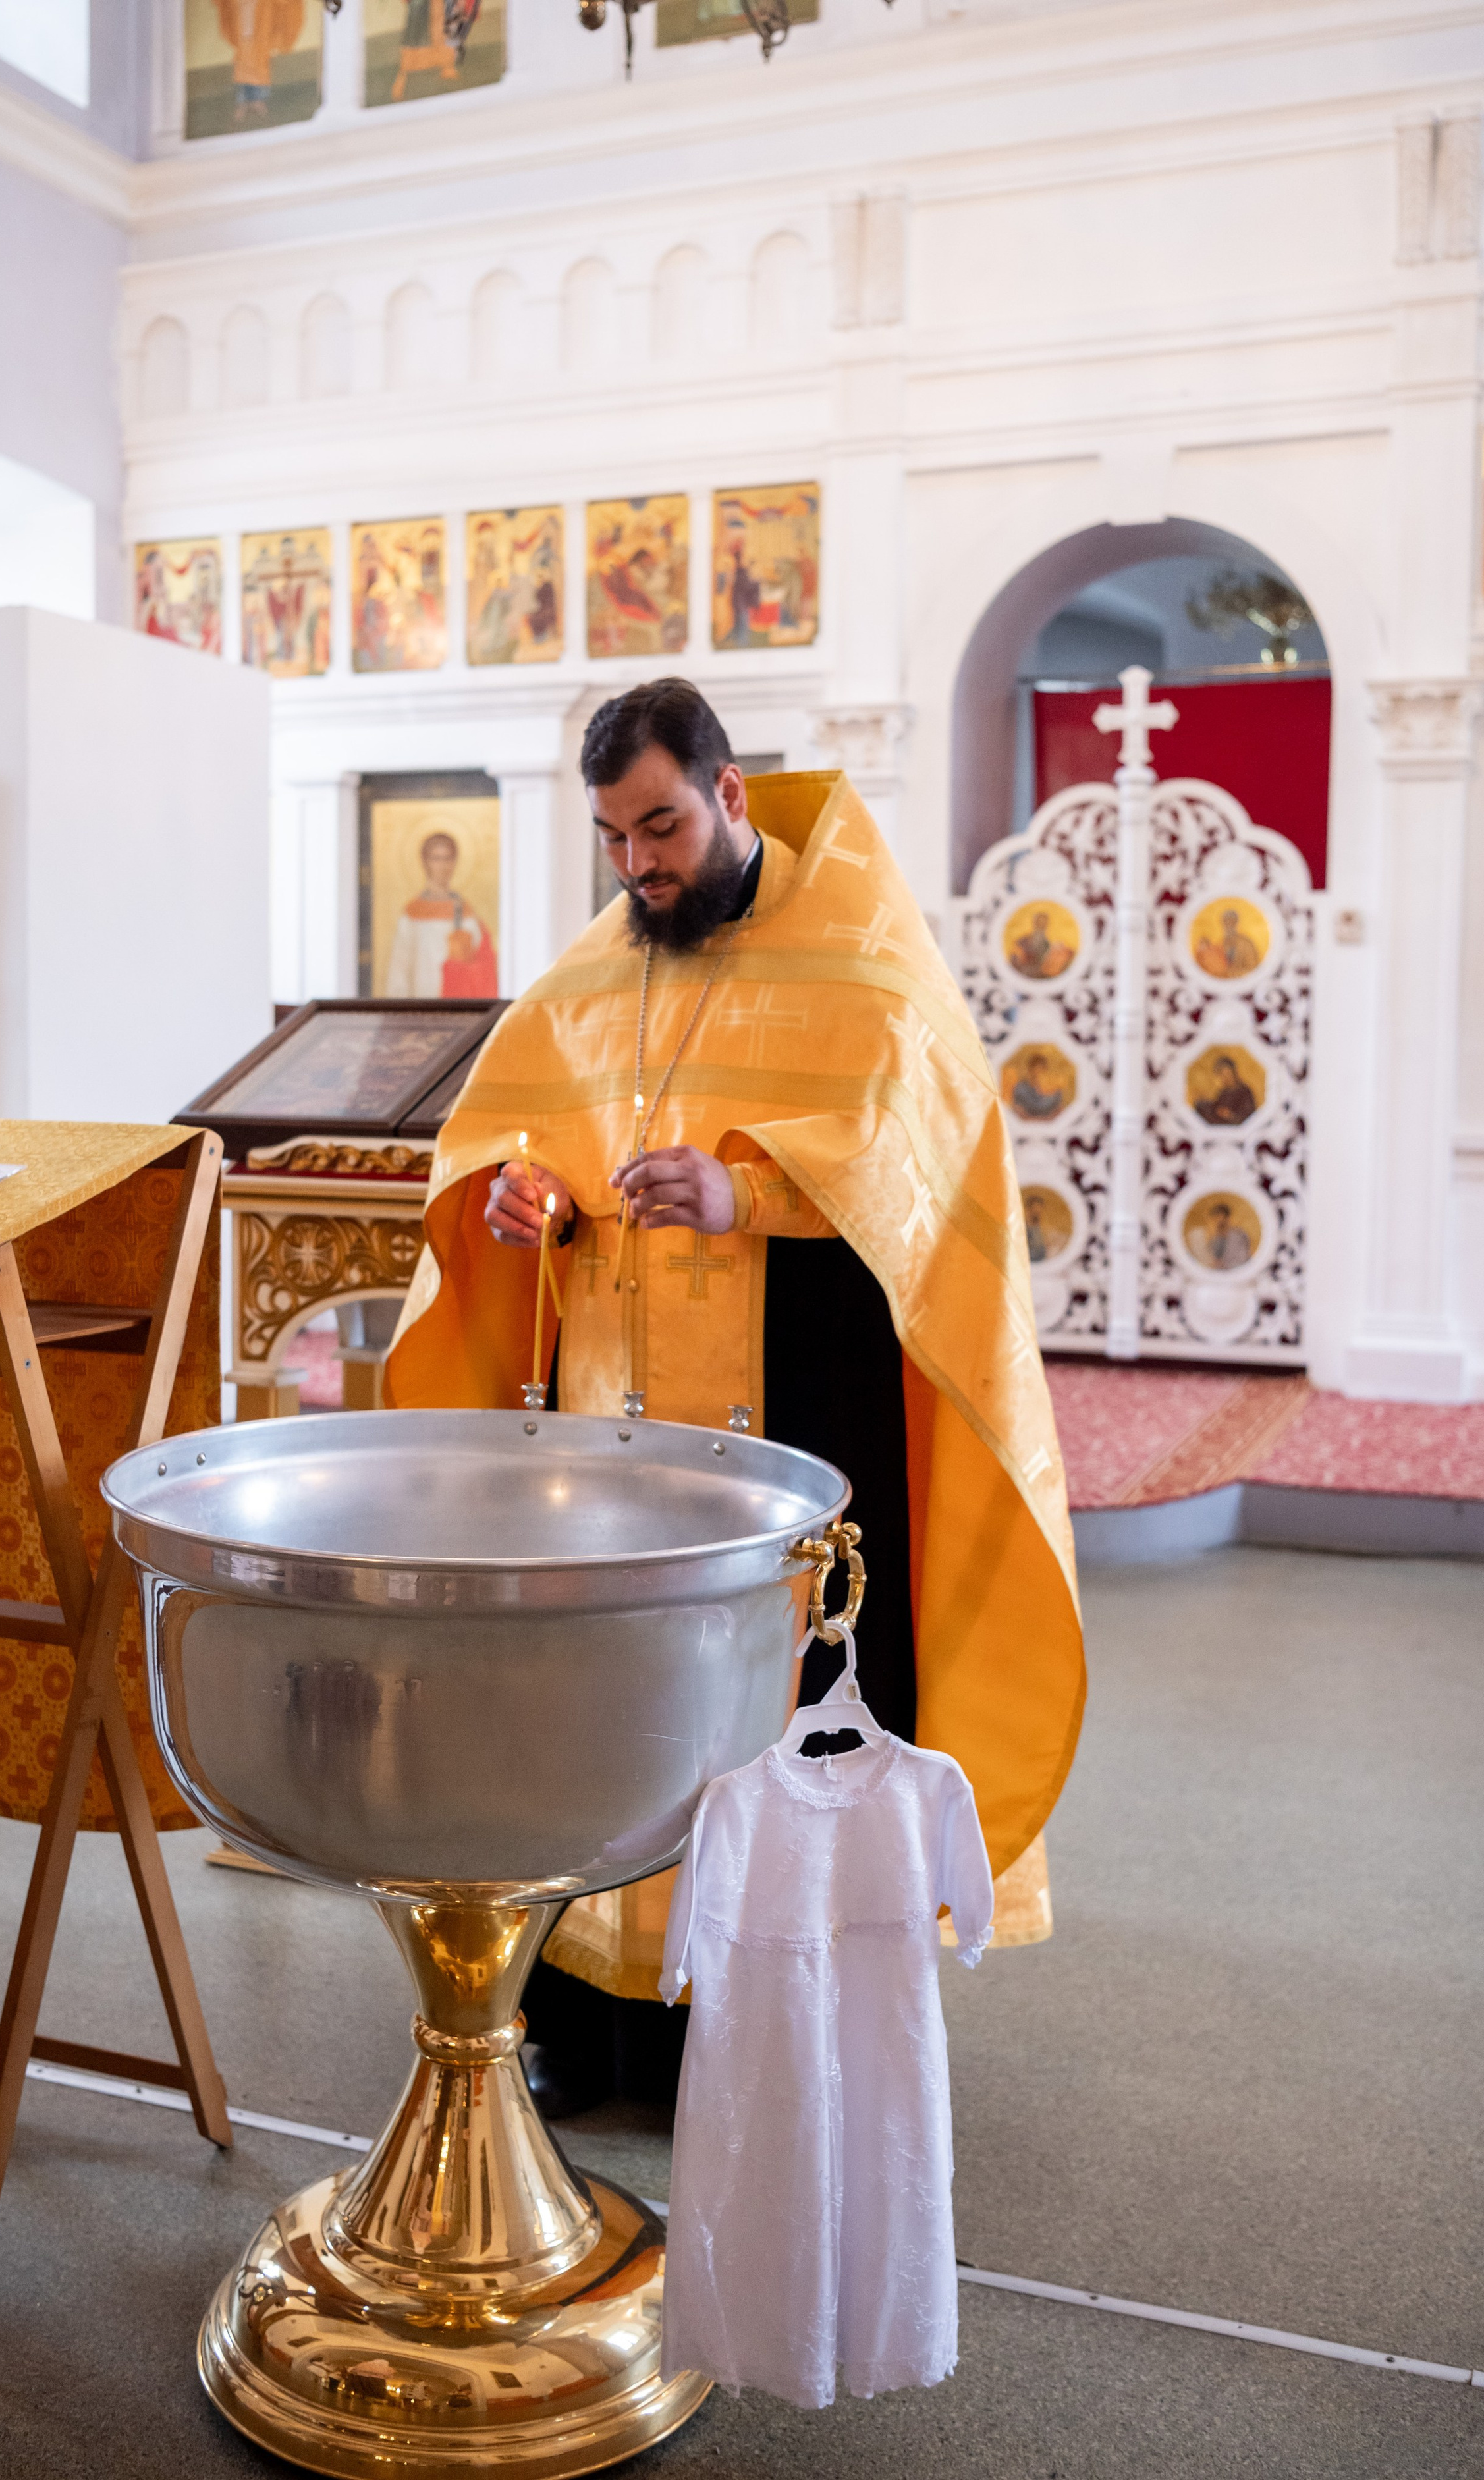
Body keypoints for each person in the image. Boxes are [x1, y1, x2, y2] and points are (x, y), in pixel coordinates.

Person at [386, 678, 1084, 2115]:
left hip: (790, 1412)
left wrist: (743, 1187)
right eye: (613, 838)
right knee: (603, 1711)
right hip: (614, 1428)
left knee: (761, 1711)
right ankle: (593, 2021)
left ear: (728, 795)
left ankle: (761, 2028)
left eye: (660, 826)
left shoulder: (864, 952)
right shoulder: (598, 967)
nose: (640, 864)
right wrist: (530, 1200)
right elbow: (514, 1143)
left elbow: (920, 1167)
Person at [385, 831, 497, 999]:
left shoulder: (464, 911)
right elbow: (400, 967)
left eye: (448, 858)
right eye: (436, 858)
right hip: (420, 1001)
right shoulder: (413, 913)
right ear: (426, 862)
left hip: (456, 1001)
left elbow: (482, 962)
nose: (443, 865)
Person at [1194, 1051, 1257, 1126]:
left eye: (1228, 1074)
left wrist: (1231, 1115)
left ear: (1234, 1073)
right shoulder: (1225, 1091)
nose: (1226, 1078)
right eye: (1222, 1075)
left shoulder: (1245, 1091)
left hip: (1234, 1127)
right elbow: (1217, 1106)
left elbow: (1249, 1116)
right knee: (1201, 1105)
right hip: (1221, 1123)